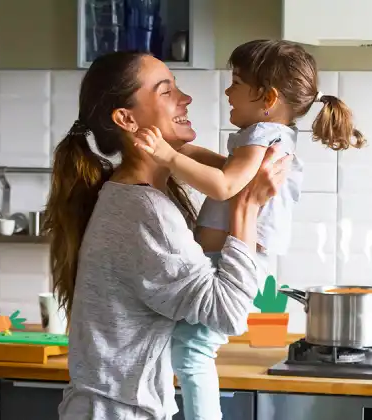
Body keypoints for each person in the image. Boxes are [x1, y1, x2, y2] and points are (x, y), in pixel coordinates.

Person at [44, 50, 292, 420]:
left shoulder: (138, 196)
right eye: (166, 91)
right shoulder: (145, 210)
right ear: (127, 119)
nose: (185, 98)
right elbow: (228, 314)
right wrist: (247, 206)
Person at [134, 39, 366, 420]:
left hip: (233, 263)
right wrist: (181, 149)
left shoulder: (264, 135)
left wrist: (168, 155)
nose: (228, 90)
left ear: (267, 98)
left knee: (192, 353)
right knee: (188, 348)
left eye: (237, 82)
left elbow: (225, 186)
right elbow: (229, 170)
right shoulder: (268, 135)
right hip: (225, 260)